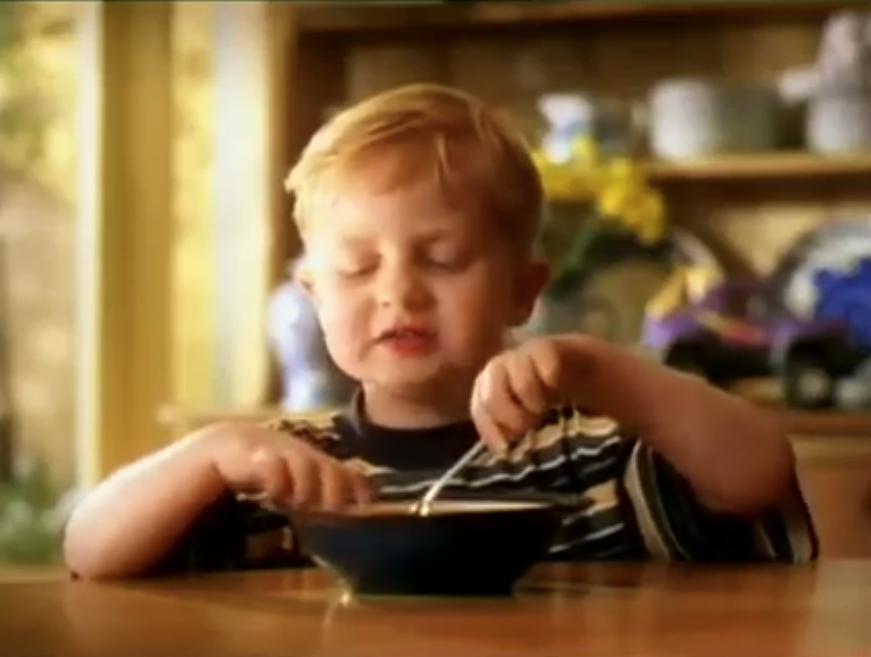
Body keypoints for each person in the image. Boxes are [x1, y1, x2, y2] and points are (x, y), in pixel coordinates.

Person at [63, 84, 817, 579]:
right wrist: (210, 449)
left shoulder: (591, 455)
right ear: (313, 297)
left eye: (443, 258)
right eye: (357, 268)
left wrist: (601, 371)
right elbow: (88, 553)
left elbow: (756, 474)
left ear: (523, 290)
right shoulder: (284, 474)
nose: (398, 291)